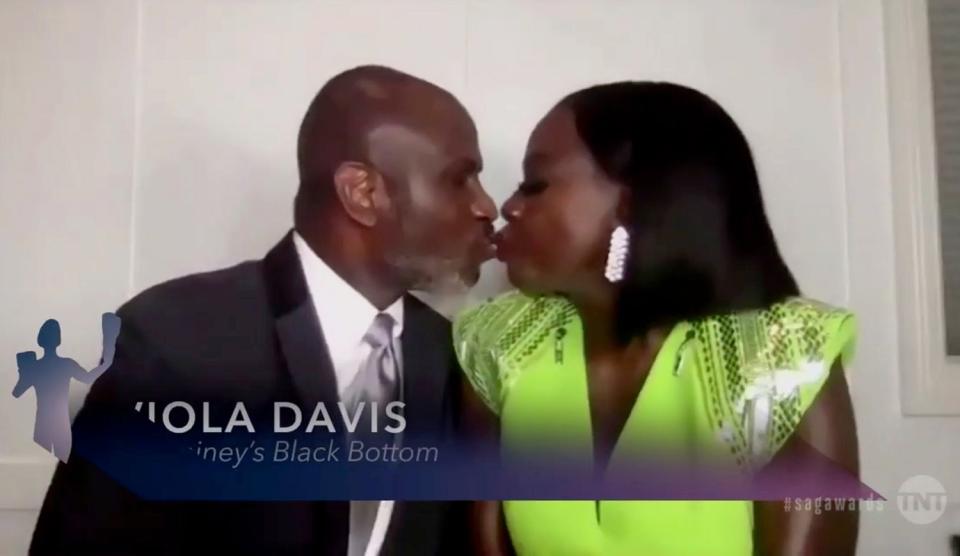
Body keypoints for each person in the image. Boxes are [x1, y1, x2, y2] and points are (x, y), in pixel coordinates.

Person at [31, 65, 497, 556]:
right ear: (362, 193)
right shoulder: (175, 342)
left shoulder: (453, 359)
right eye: (459, 179)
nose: (487, 206)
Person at [454, 82, 860, 555]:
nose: (509, 206)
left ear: (628, 206)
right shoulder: (500, 343)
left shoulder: (780, 355)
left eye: (536, 184)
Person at [12, 314, 120, 462]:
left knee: (46, 464)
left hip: (44, 425)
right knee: (60, 465)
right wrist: (107, 361)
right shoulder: (65, 364)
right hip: (59, 426)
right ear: (58, 340)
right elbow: (89, 378)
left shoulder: (35, 367)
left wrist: (23, 371)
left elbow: (17, 392)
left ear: (40, 340)